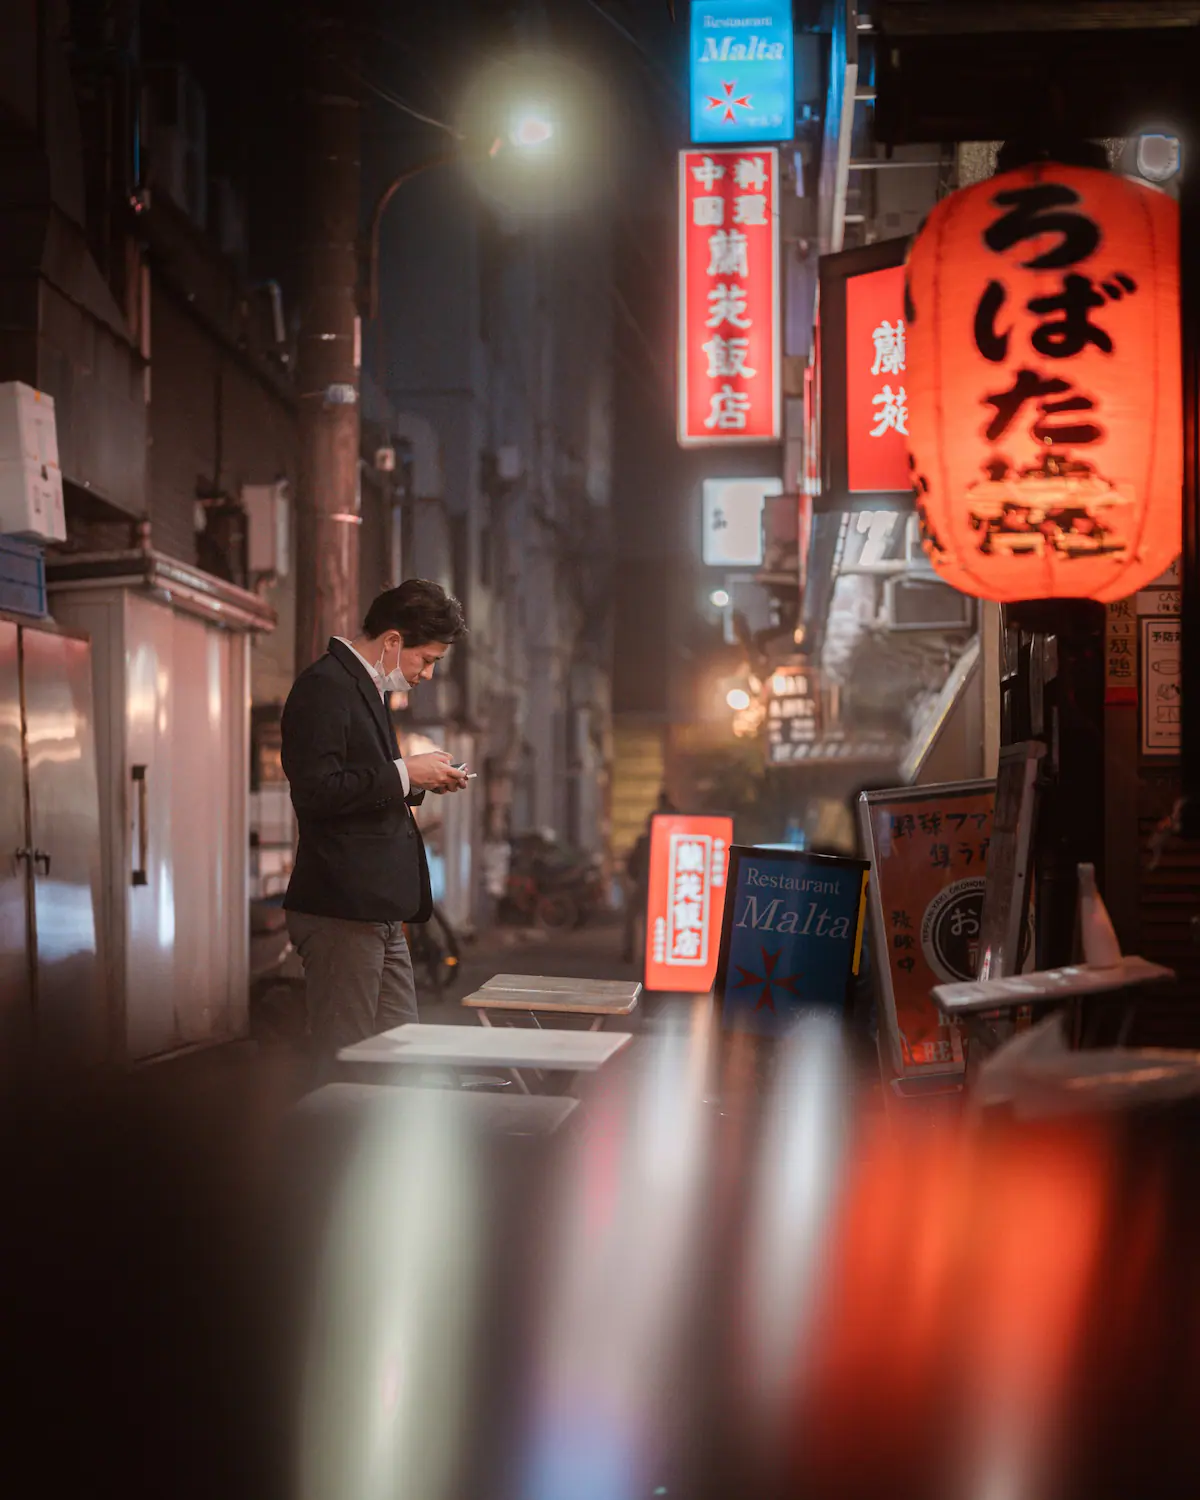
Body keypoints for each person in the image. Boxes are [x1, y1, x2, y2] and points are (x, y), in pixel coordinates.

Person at [281, 579, 469, 1065]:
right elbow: (317, 792)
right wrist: (407, 772)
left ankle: (373, 1140)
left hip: (376, 908)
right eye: (425, 660)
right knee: (345, 1058)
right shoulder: (325, 687)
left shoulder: (364, 688)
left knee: (398, 1056)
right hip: (341, 908)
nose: (427, 674)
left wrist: (418, 781)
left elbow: (362, 784)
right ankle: (330, 1143)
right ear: (392, 641)